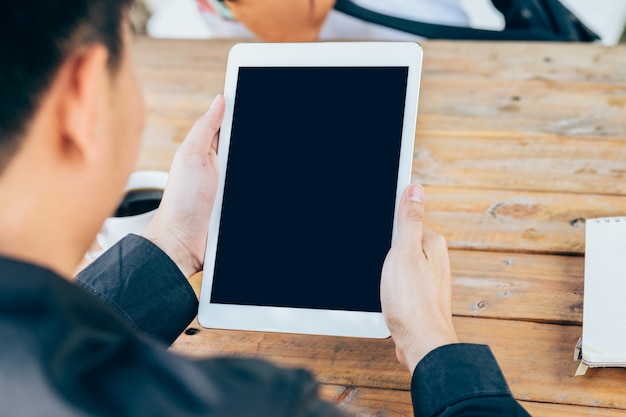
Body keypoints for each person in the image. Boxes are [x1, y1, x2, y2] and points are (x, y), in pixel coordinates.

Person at [0, 1, 530, 416]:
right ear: (84, 94)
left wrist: (173, 241)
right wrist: (431, 344)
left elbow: (60, 358)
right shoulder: (254, 405)